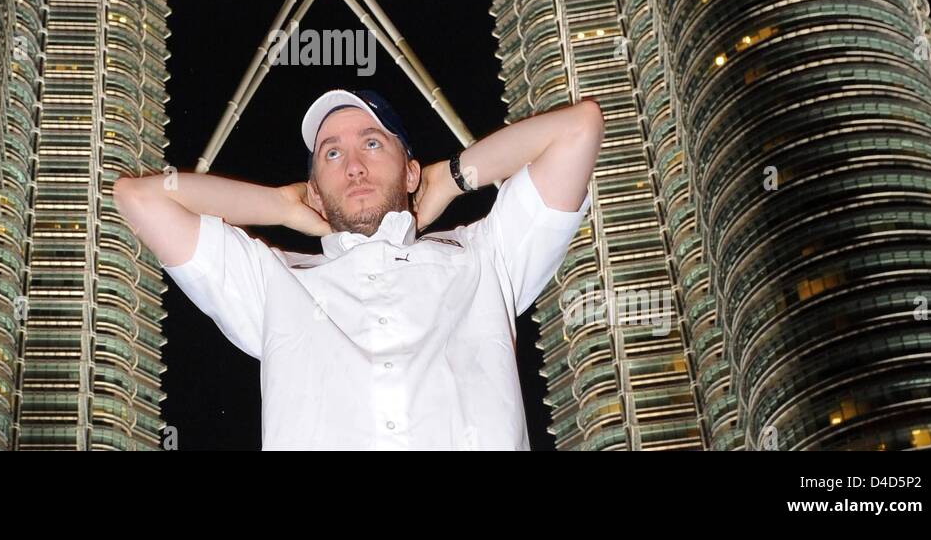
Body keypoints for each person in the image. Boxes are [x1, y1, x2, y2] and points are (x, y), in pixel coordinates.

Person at [113, 87, 603, 450]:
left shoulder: (483, 255)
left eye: (372, 143)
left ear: (411, 170)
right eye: (332, 153)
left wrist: (453, 177)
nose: (353, 165)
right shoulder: (274, 280)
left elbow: (578, 129)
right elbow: (141, 197)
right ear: (315, 189)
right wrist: (281, 206)